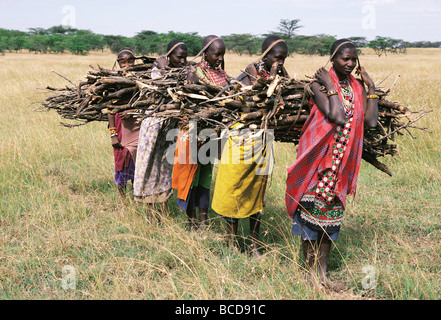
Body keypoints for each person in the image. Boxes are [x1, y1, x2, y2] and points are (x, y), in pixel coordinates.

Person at [285, 39, 378, 291]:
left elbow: (370, 121)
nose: (349, 63)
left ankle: (323, 275)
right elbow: (336, 116)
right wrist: (329, 84)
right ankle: (309, 277)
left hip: (341, 167)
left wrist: (370, 87)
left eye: (353, 59)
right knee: (311, 222)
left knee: (330, 223)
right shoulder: (318, 85)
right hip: (318, 164)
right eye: (344, 59)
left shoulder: (358, 87)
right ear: (333, 58)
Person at [212, 36, 289, 257]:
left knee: (257, 194)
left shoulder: (277, 76)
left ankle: (255, 244)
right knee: (234, 190)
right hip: (240, 142)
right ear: (265, 56)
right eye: (277, 57)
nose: (281, 61)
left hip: (262, 143)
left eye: (284, 58)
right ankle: (232, 241)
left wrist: (281, 73)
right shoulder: (247, 76)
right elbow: (228, 101)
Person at [172, 35, 230, 229]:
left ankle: (203, 221)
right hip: (194, 133)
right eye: (216, 54)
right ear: (205, 53)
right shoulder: (194, 73)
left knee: (205, 177)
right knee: (191, 177)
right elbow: (191, 106)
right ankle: (191, 221)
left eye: (222, 54)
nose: (220, 58)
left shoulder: (222, 74)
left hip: (212, 134)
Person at [133, 40, 188, 209]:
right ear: (169, 57)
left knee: (165, 167)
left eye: (185, 58)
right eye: (179, 57)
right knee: (150, 166)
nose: (183, 61)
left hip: (170, 127)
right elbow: (162, 86)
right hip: (153, 126)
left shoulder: (184, 72)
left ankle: (163, 208)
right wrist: (164, 69)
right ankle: (150, 210)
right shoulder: (156, 72)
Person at [108, 48, 140, 200]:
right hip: (120, 125)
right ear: (118, 63)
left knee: (136, 160)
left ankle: (136, 195)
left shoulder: (142, 79)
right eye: (123, 62)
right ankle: (122, 200)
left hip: (136, 125)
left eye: (130, 61)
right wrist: (113, 134)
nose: (127, 64)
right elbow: (109, 109)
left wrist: (133, 112)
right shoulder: (113, 81)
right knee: (121, 158)